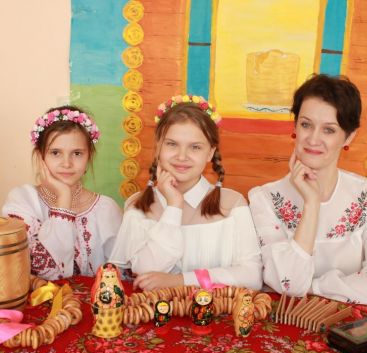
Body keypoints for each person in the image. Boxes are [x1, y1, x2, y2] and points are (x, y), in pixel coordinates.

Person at [248, 74, 367, 305]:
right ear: (295, 127)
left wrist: (313, 287)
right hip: (284, 322)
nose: (313, 139)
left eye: (328, 130)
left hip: (350, 323)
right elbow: (289, 284)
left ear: (349, 137)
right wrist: (311, 204)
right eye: (306, 125)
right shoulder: (265, 199)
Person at [109, 95, 262, 291]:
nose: (182, 156)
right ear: (158, 146)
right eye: (172, 144)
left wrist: (181, 280)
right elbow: (145, 274)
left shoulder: (232, 204)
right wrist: (174, 207)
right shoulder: (138, 205)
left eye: (195, 147)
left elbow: (252, 277)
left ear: (210, 153)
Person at [2, 106, 122, 280]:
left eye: (77, 153)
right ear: (40, 157)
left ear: (89, 157)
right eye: (56, 153)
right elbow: (48, 273)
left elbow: (122, 279)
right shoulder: (23, 200)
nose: (67, 163)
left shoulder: (106, 209)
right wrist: (63, 199)